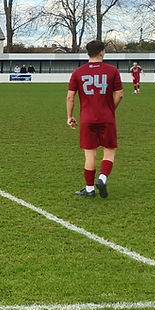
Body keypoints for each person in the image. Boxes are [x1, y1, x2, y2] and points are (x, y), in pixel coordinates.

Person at [66, 40, 123, 198]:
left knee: (90, 155)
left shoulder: (78, 72)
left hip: (87, 119)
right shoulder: (112, 71)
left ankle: (89, 189)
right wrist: (111, 109)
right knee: (109, 151)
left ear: (88, 53)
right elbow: (120, 94)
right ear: (101, 52)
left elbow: (70, 97)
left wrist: (70, 116)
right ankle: (102, 179)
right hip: (107, 117)